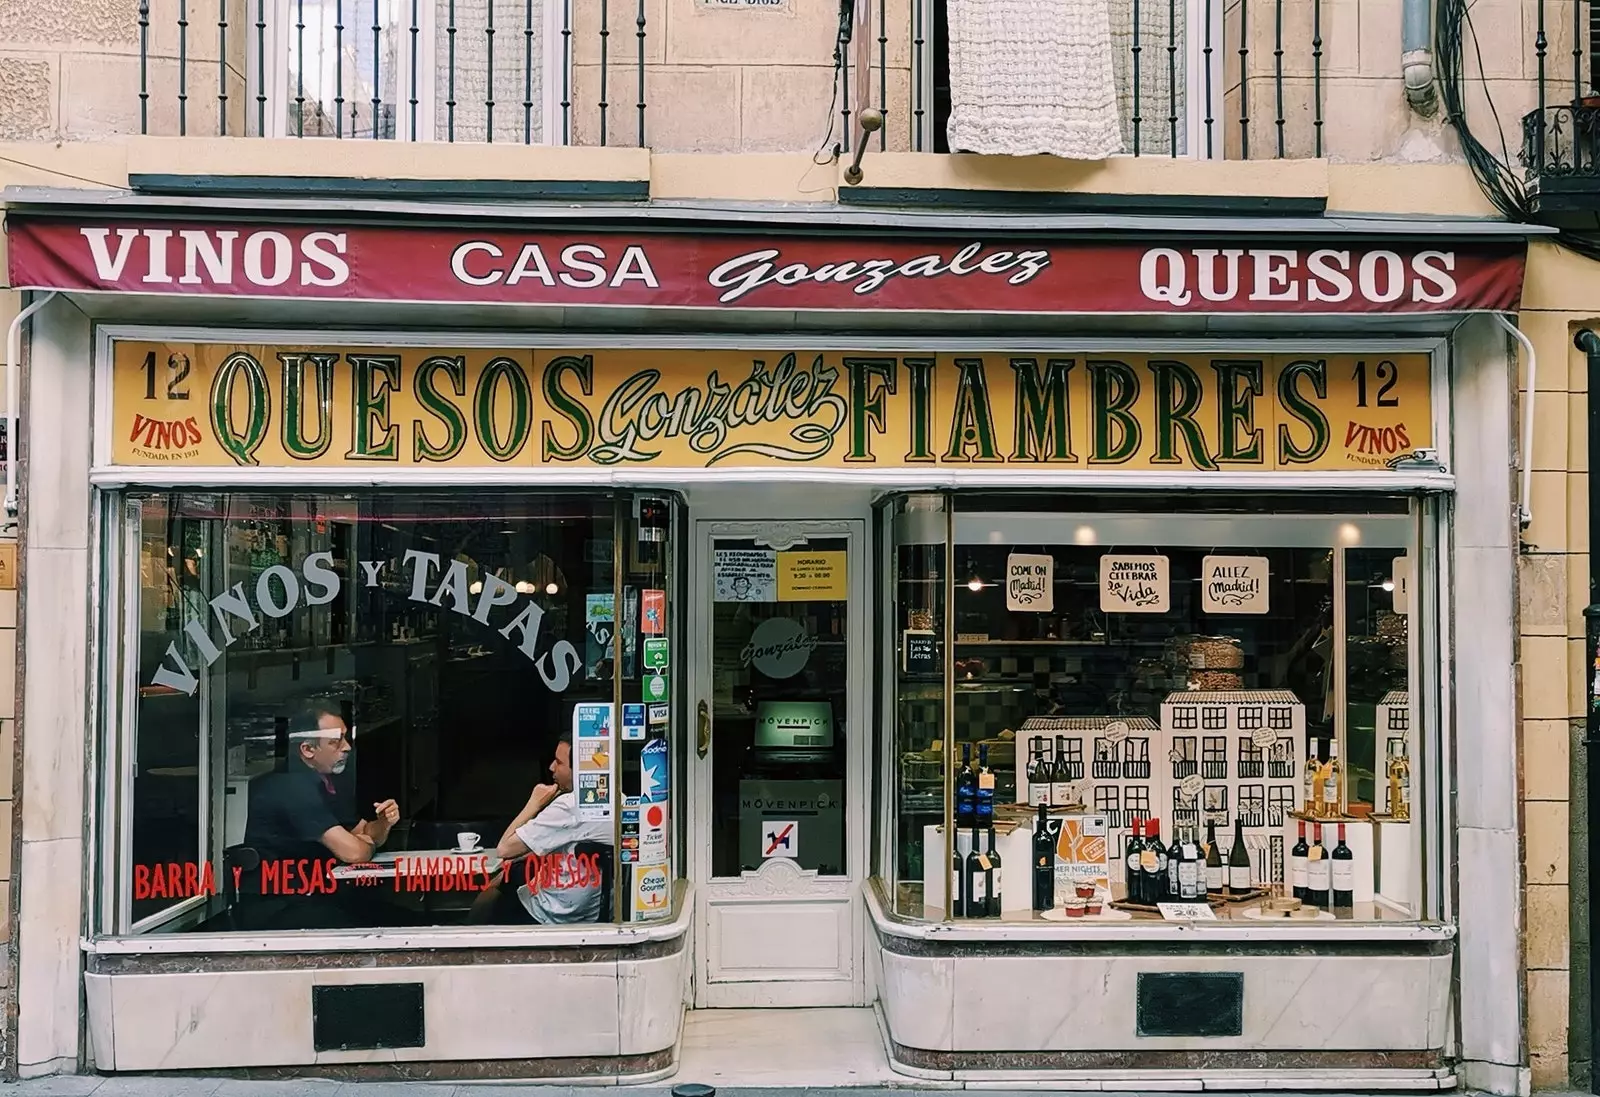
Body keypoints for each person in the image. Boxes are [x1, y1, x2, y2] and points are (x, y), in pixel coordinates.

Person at [237, 705, 401, 929]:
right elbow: (354, 852)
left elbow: (360, 834)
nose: (347, 747)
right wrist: (366, 844)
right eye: (336, 741)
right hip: (280, 910)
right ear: (307, 749)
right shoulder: (291, 786)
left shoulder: (327, 781)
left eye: (346, 738)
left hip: (314, 898)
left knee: (400, 920)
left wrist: (383, 823)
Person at [470, 731, 614, 925]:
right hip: (595, 908)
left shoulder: (570, 804)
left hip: (554, 913)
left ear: (580, 769)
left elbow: (505, 849)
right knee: (511, 872)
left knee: (500, 885)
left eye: (559, 762)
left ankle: (471, 931)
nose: (552, 767)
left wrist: (534, 803)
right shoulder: (614, 796)